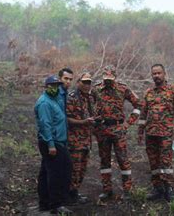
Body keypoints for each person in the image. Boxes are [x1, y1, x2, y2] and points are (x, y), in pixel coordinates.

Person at [138, 64, 174, 201]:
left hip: (166, 133)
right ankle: (157, 188)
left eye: (159, 73)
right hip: (150, 133)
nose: (156, 76)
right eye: (154, 74)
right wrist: (140, 132)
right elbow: (143, 113)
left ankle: (169, 189)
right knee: (154, 163)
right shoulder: (148, 92)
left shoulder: (173, 91)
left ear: (164, 74)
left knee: (166, 162)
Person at [93, 65, 140, 201]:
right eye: (105, 78)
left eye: (110, 78)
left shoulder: (123, 88)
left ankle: (127, 190)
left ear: (115, 77)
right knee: (104, 161)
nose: (108, 81)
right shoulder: (96, 89)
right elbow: (88, 106)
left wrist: (128, 123)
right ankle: (107, 190)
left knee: (123, 160)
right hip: (102, 130)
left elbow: (138, 105)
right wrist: (93, 125)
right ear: (102, 77)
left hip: (118, 129)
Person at [35, 75, 73, 214]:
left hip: (58, 141)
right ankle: (56, 205)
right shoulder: (44, 103)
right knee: (59, 172)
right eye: (52, 86)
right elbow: (45, 125)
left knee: (46, 172)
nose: (54, 88)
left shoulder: (55, 99)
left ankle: (44, 203)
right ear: (46, 87)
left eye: (57, 85)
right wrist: (51, 144)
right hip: (51, 142)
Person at [66, 72, 98, 205]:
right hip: (74, 141)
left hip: (86, 140)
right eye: (84, 82)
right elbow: (67, 119)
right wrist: (83, 122)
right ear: (78, 82)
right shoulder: (71, 97)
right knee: (74, 169)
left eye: (89, 82)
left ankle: (75, 193)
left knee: (83, 168)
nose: (86, 85)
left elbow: (91, 115)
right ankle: (68, 195)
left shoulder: (89, 98)